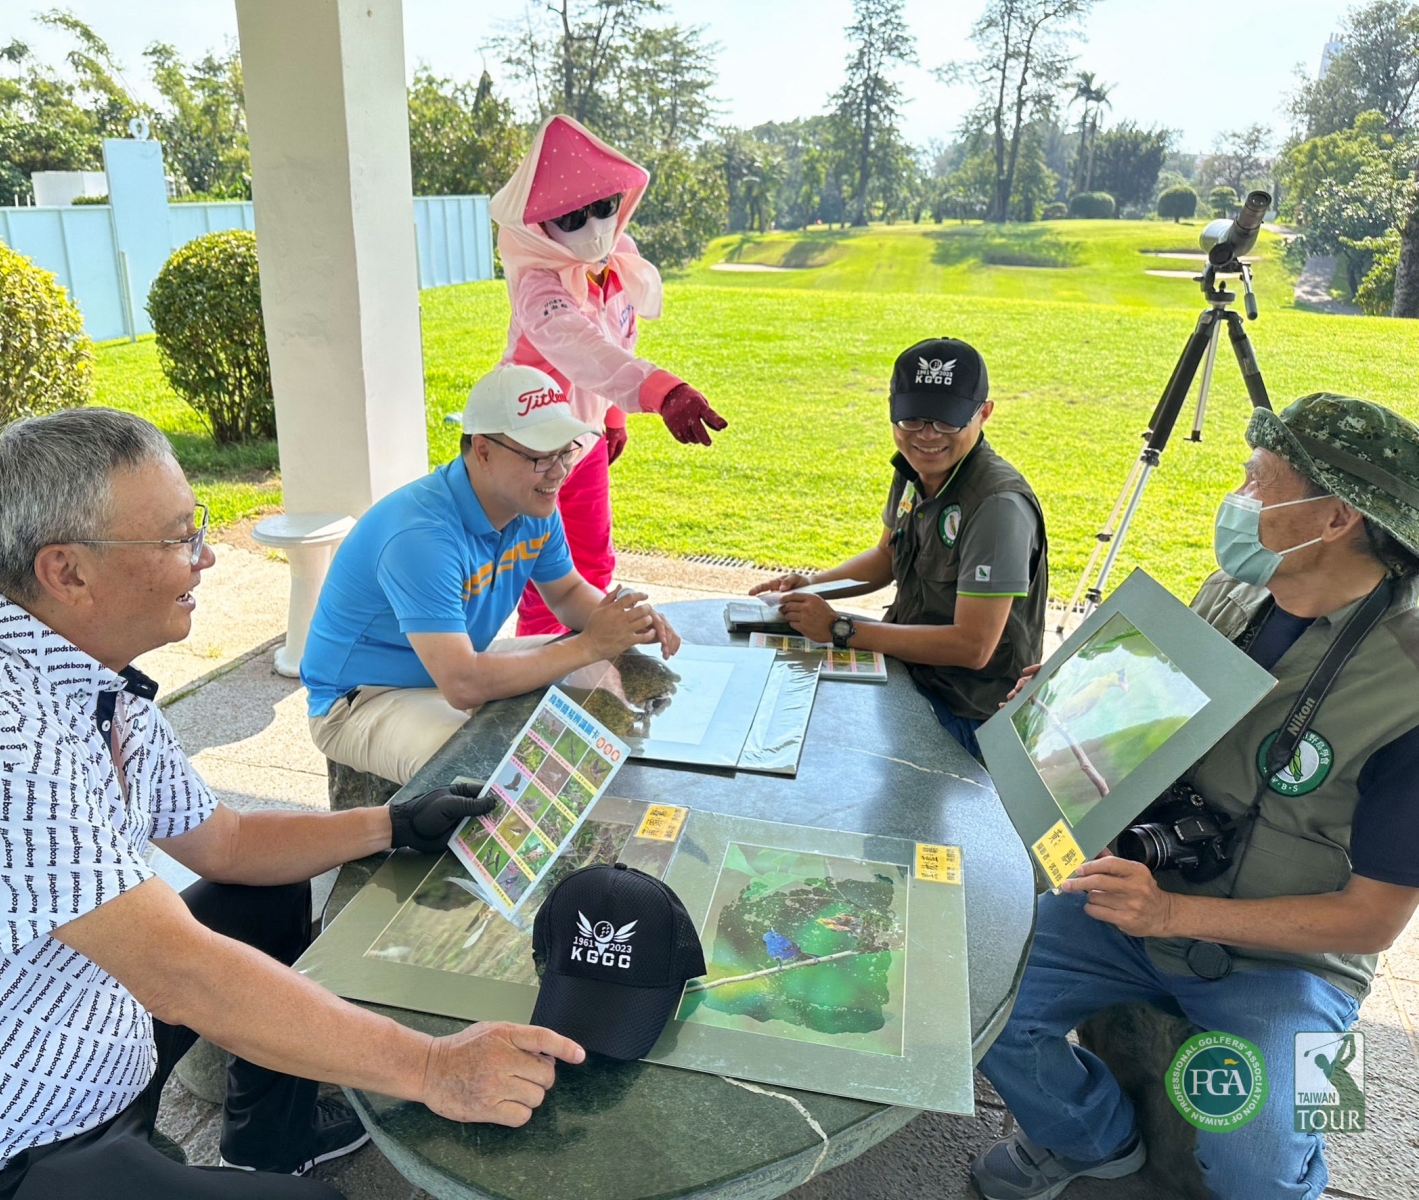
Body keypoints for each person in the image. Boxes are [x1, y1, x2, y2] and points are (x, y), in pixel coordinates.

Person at [0, 409, 587, 1200]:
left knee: (266, 890)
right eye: (178, 539)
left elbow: (225, 843)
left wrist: (392, 825)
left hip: (64, 1035)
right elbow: (180, 974)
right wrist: (432, 1068)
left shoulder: (99, 687)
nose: (207, 557)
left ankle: (270, 1140)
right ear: (67, 572)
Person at [971, 394, 1419, 1200]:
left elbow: (1375, 921)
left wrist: (1175, 918)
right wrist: (1067, 706)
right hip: (1147, 895)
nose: (1238, 502)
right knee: (970, 991)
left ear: (1338, 517)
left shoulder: (1411, 683)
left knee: (1265, 1160)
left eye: (1258, 482)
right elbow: (1139, 718)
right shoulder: (1231, 593)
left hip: (1300, 962)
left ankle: (1301, 1175)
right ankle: (1093, 1146)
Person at [301, 364, 680, 787]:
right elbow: (463, 683)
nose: (558, 472)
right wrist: (591, 643)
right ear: (482, 450)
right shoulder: (420, 536)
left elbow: (568, 592)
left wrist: (625, 622)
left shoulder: (531, 503)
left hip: (454, 662)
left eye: (565, 451)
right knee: (496, 774)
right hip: (364, 698)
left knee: (617, 684)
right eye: (540, 456)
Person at [753, 338, 1048, 757]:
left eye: (947, 422)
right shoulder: (915, 468)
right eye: (911, 419)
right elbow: (887, 556)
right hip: (912, 676)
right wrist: (813, 587)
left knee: (816, 747)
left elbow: (973, 646)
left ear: (984, 413)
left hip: (968, 714)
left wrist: (841, 629)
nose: (927, 437)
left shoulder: (997, 506)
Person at [491, 113, 728, 636]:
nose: (596, 229)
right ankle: (539, 682)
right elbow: (585, 350)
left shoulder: (613, 266)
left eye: (603, 208)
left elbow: (619, 336)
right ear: (539, 225)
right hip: (532, 446)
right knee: (541, 579)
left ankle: (587, 669)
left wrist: (614, 414)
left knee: (594, 565)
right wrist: (662, 393)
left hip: (585, 438)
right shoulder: (538, 285)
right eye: (571, 218)